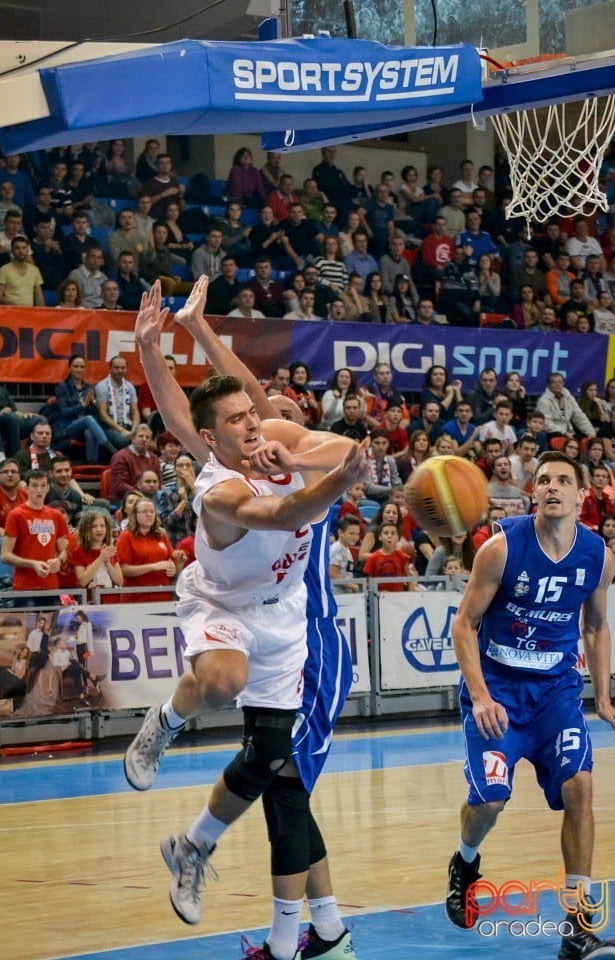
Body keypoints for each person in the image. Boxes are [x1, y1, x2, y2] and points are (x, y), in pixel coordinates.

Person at [123, 280, 368, 951]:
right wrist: (153, 348)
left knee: (270, 758)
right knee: (224, 684)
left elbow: (337, 447)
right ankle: (166, 720)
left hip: (286, 618)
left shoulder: (279, 434)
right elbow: (191, 423)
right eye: (240, 421)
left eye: (261, 413)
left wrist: (323, 460)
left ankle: (196, 847)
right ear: (217, 438)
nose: (259, 418)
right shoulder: (218, 484)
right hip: (222, 603)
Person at [445, 450, 615, 960]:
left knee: (581, 787)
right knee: (489, 803)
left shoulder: (597, 556)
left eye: (563, 480)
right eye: (544, 479)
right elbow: (464, 624)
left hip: (555, 694)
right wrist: (480, 694)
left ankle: (577, 926)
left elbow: (594, 628)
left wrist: (605, 699)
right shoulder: (501, 550)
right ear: (534, 493)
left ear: (580, 495)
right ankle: (465, 862)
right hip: (500, 695)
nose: (552, 487)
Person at [1, 469, 69, 598]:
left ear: (48, 488)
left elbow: (63, 551)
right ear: (26, 488)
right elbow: (5, 555)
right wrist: (33, 564)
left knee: (51, 618)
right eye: (34, 485)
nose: (39, 490)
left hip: (51, 586)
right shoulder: (16, 515)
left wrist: (59, 560)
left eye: (43, 485)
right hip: (25, 587)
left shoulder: (56, 515)